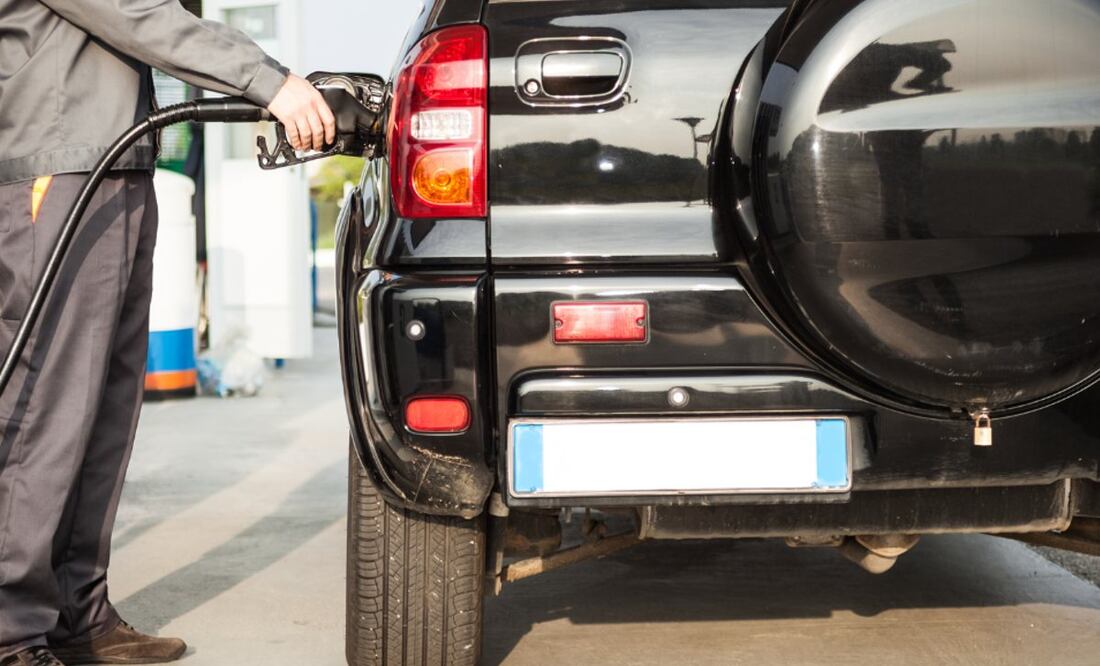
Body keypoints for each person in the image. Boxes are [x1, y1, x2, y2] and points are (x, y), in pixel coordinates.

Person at [0, 2, 334, 664]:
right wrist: (268, 80)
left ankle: (77, 613)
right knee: (49, 408)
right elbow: (133, 12)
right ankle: (11, 628)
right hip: (60, 163)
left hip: (116, 164)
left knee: (103, 412)